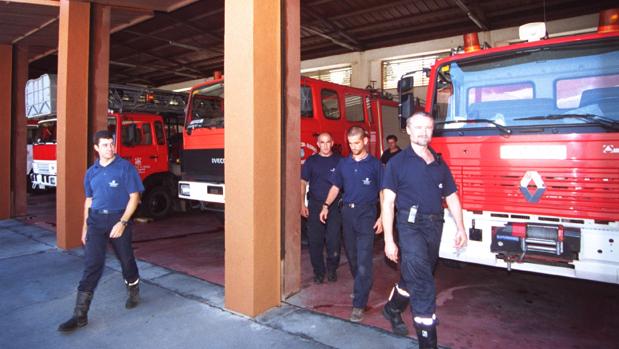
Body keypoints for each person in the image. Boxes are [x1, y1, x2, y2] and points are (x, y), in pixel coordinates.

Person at [381, 112, 467, 348]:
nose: (423, 132)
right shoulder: (396, 163)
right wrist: (389, 239)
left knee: (417, 274)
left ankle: (392, 309)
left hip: (434, 225)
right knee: (423, 284)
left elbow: (451, 196)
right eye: (417, 127)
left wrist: (461, 227)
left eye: (428, 128)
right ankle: (427, 342)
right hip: (410, 226)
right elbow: (387, 202)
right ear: (408, 130)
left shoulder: (439, 162)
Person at [58, 130, 144, 332]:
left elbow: (134, 197)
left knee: (126, 260)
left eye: (111, 144)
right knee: (92, 265)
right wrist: (84, 227)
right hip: (96, 221)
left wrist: (122, 222)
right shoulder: (91, 172)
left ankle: (133, 290)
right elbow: (88, 201)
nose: (110, 148)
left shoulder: (125, 168)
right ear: (96, 148)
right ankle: (79, 316)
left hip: (118, 219)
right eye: (105, 145)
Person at [320, 126, 383, 323]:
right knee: (353, 257)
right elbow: (335, 186)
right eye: (350, 143)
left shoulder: (376, 165)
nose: (354, 147)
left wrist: (383, 218)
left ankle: (359, 304)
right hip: (347, 213)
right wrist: (325, 205)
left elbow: (383, 192)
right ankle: (361, 286)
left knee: (364, 259)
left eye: (357, 143)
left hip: (367, 213)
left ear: (365, 141)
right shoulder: (344, 164)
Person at [301, 132, 342, 284]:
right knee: (315, 241)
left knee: (333, 240)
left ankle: (332, 270)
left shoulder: (340, 160)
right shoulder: (311, 161)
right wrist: (302, 204)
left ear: (332, 143)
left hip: (334, 207)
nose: (325, 145)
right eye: (322, 142)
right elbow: (303, 183)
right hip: (314, 205)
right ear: (317, 144)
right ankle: (318, 272)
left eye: (328, 142)